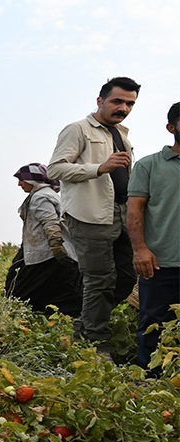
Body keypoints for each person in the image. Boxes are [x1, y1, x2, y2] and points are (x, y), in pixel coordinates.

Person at [47, 77, 140, 355]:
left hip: (121, 213)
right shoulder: (78, 130)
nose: (123, 107)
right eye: (117, 101)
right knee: (99, 279)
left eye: (130, 103)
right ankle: (96, 344)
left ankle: (86, 325)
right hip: (89, 215)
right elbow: (55, 169)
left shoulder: (121, 134)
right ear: (100, 101)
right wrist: (98, 168)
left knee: (127, 275)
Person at [127, 102, 180, 371]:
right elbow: (134, 208)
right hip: (161, 262)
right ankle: (150, 384)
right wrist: (140, 250)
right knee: (153, 326)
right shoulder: (149, 165)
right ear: (171, 128)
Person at [5, 163, 82, 317]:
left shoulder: (40, 197)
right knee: (60, 289)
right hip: (51, 252)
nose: (19, 184)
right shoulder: (49, 195)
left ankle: (23, 319)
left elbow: (50, 223)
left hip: (45, 253)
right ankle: (63, 320)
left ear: (33, 180)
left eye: (22, 179)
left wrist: (56, 248)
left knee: (18, 288)